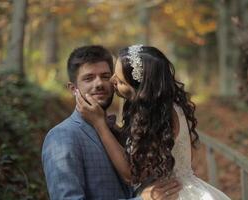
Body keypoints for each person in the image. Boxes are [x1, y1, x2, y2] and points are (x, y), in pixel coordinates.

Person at [76, 45, 231, 199]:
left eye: (121, 81)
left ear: (141, 91)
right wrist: (116, 130)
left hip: (171, 194)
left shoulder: (156, 115)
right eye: (115, 74)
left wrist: (100, 125)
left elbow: (131, 175)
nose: (111, 80)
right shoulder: (166, 107)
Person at [42, 45, 181, 200]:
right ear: (73, 88)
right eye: (89, 78)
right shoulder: (62, 137)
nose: (99, 83)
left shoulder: (129, 128)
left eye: (105, 76)